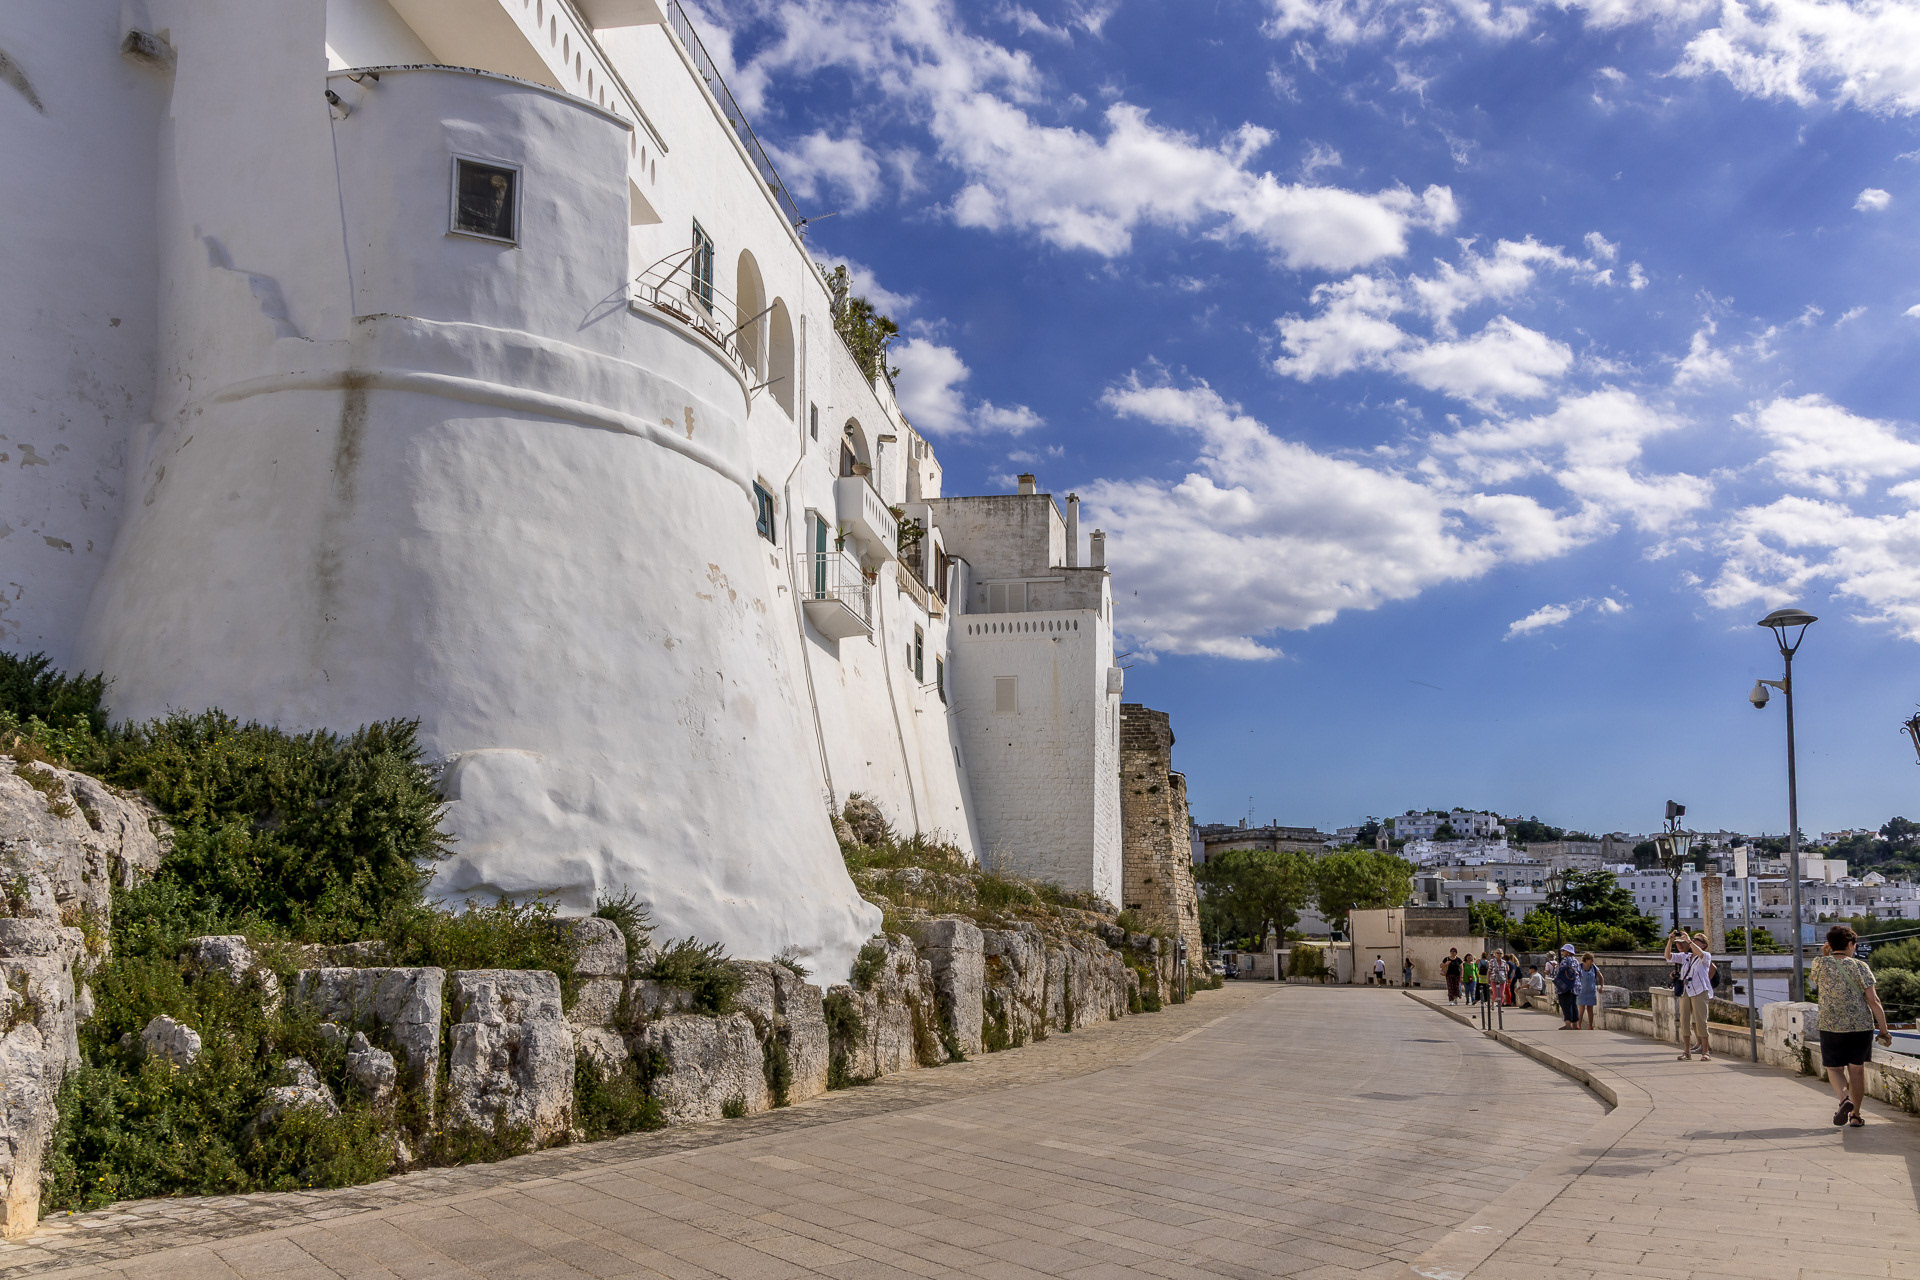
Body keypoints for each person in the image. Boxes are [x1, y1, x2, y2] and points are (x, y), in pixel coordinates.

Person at [1810, 925, 1893, 1128]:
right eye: (1854, 944)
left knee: (1834, 1068)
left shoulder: (1819, 964)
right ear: (1849, 944)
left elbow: (1817, 983)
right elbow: (1874, 1001)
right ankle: (1855, 1115)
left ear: (1830, 944)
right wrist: (1883, 1030)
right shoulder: (1860, 966)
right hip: (1860, 1026)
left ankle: (1844, 1099)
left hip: (1830, 1025)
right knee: (1856, 1070)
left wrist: (1825, 953)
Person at [1665, 929, 1714, 1060]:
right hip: (1687, 990)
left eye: (1698, 940)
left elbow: (1700, 953)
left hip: (1700, 991)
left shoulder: (1706, 956)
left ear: (1703, 944)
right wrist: (1670, 940)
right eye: (1694, 939)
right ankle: (1686, 1051)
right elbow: (1668, 956)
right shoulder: (1686, 957)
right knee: (1684, 1021)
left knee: (1701, 1021)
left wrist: (1688, 940)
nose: (1694, 941)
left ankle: (1706, 1051)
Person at [1553, 943, 1579, 1029]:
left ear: (1567, 952)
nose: (1562, 952)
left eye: (1563, 950)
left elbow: (1559, 971)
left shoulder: (1565, 960)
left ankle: (1568, 1024)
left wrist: (1556, 966)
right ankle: (1575, 1025)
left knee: (1565, 1004)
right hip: (1575, 986)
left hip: (1565, 986)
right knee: (1573, 1004)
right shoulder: (1576, 960)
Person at [1576, 952, 1605, 1030]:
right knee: (1581, 1008)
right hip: (1581, 991)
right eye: (1591, 959)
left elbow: (1601, 977)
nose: (1592, 960)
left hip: (1591, 991)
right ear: (1586, 959)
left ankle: (1590, 1025)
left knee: (1590, 1009)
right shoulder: (1580, 967)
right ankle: (1579, 1025)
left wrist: (1602, 986)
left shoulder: (1594, 967)